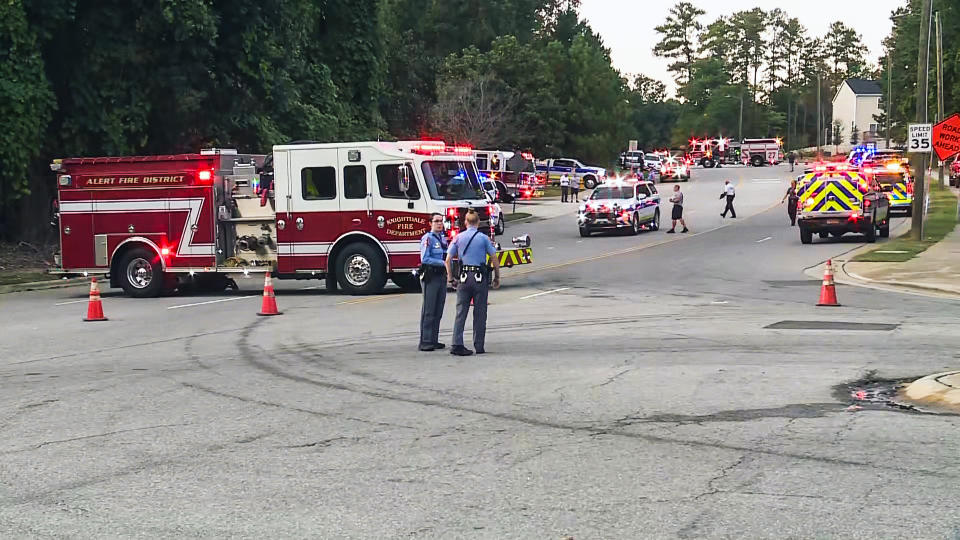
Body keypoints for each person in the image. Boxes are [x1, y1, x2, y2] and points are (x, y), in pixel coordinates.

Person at [444, 209, 501, 356]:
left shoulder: (458, 238)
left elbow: (448, 260)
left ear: (465, 222)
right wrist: (497, 277)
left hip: (463, 278)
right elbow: (494, 259)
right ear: (478, 222)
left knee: (461, 312)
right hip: (479, 278)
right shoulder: (483, 239)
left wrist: (450, 278)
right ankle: (479, 345)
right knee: (480, 312)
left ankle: (457, 344)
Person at [418, 213, 448, 351]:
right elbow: (425, 258)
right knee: (429, 310)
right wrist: (442, 263)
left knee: (438, 309)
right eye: (436, 221)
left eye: (441, 221)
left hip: (441, 276)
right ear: (430, 223)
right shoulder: (427, 239)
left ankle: (433, 340)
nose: (439, 224)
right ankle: (425, 341)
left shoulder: (442, 238)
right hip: (431, 276)